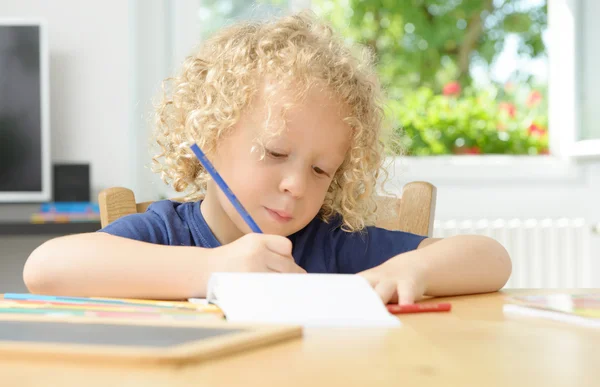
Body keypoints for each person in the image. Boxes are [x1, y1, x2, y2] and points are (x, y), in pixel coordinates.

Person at [23, 11, 511, 303]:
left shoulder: (332, 242)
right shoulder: (166, 234)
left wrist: (411, 272)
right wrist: (217, 268)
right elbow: (46, 267)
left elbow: (492, 259)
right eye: (275, 152)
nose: (297, 185)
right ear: (208, 136)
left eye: (322, 169)